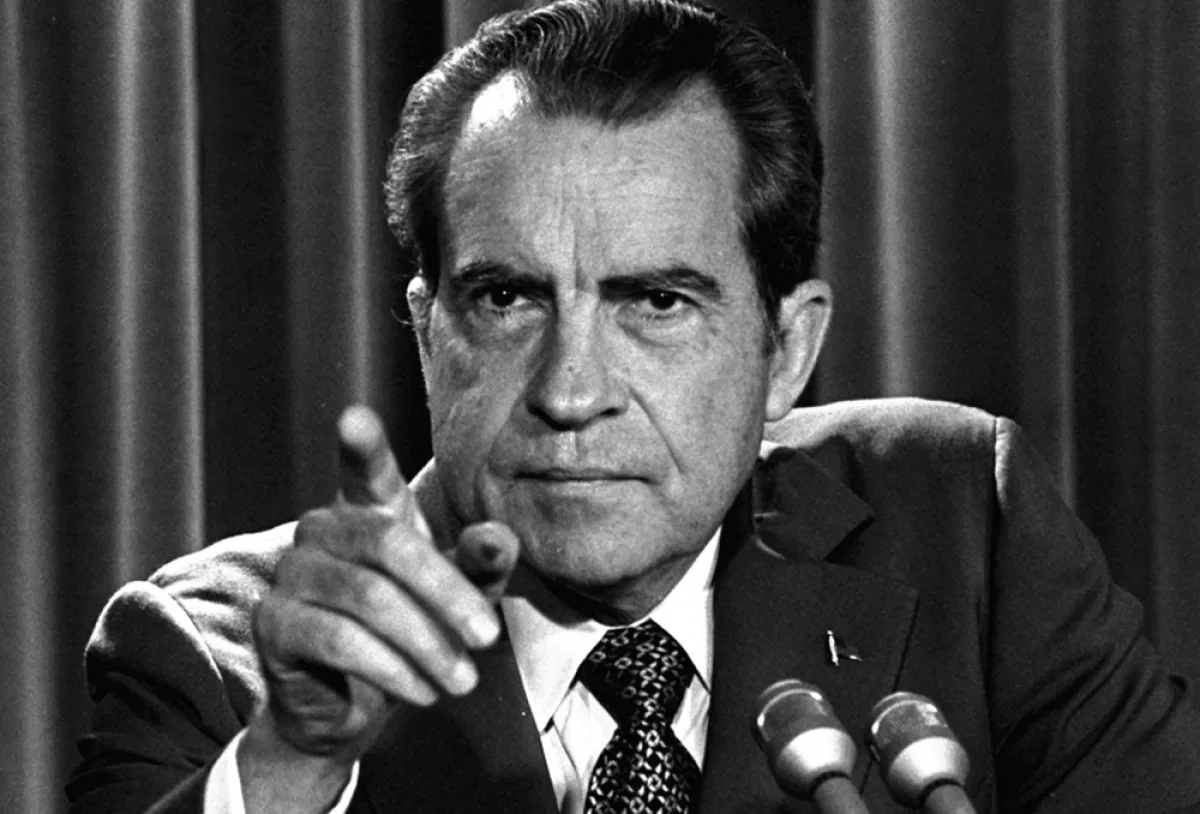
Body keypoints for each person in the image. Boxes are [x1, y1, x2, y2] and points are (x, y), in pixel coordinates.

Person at [67, 1, 1200, 812]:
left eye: (656, 301)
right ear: (427, 335)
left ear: (787, 351)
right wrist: (290, 768)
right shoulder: (219, 656)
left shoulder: (967, 530)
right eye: (507, 299)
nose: (570, 393)